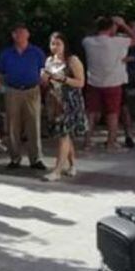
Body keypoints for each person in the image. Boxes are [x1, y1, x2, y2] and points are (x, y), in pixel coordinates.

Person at [82, 16, 135, 150]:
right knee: (112, 113)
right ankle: (111, 142)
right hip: (113, 82)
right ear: (111, 28)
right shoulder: (118, 42)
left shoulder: (88, 42)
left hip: (94, 81)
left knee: (91, 113)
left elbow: (89, 34)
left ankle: (87, 141)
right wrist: (123, 25)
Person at [0, 24, 47, 169]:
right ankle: (15, 158)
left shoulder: (36, 52)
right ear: (13, 36)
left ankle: (36, 159)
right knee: (13, 126)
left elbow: (44, 69)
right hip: (13, 91)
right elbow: (0, 73)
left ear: (28, 35)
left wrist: (43, 79)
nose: (20, 36)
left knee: (33, 125)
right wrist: (6, 86)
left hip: (32, 90)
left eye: (23, 33)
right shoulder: (7, 53)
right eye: (17, 34)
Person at [41, 33, 88, 182]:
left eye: (58, 43)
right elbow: (45, 83)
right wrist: (44, 77)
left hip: (71, 102)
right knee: (64, 135)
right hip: (55, 101)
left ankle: (57, 170)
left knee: (64, 134)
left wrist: (64, 79)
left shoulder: (72, 60)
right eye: (53, 44)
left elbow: (81, 82)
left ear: (65, 45)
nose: (55, 47)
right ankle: (72, 164)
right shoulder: (49, 60)